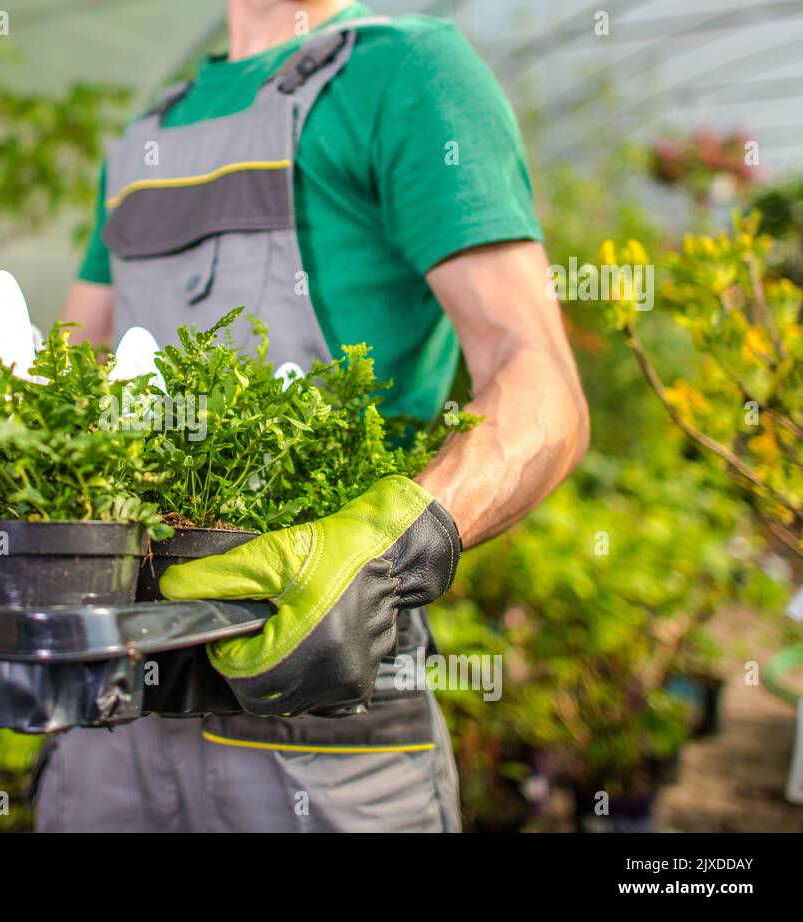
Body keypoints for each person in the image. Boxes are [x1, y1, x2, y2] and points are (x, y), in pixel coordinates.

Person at [35, 0, 589, 832]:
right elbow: (69, 376)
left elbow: (540, 382)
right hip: (111, 711)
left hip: (322, 721)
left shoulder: (409, 72)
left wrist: (388, 552)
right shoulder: (152, 129)